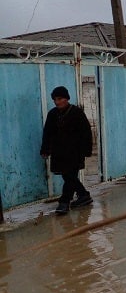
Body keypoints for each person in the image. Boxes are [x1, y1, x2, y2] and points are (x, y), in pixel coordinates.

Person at [40, 86, 93, 215]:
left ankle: (64, 202)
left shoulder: (77, 113)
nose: (57, 102)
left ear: (66, 99)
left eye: (60, 99)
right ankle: (83, 195)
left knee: (70, 176)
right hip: (59, 152)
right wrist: (45, 149)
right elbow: (47, 133)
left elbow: (86, 132)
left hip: (75, 152)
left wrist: (86, 150)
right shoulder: (52, 114)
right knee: (67, 176)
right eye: (55, 99)